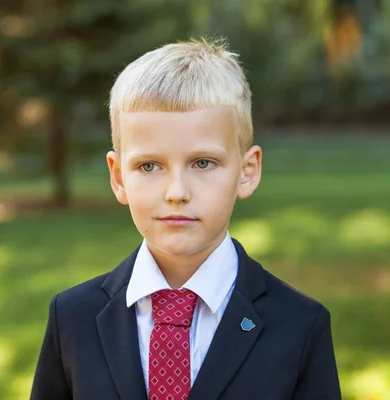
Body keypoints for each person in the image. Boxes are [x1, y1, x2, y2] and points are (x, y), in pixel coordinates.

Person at [30, 38, 341, 400]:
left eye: (203, 163)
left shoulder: (299, 326)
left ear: (247, 170)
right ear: (118, 178)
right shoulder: (73, 318)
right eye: (149, 166)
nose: (176, 191)